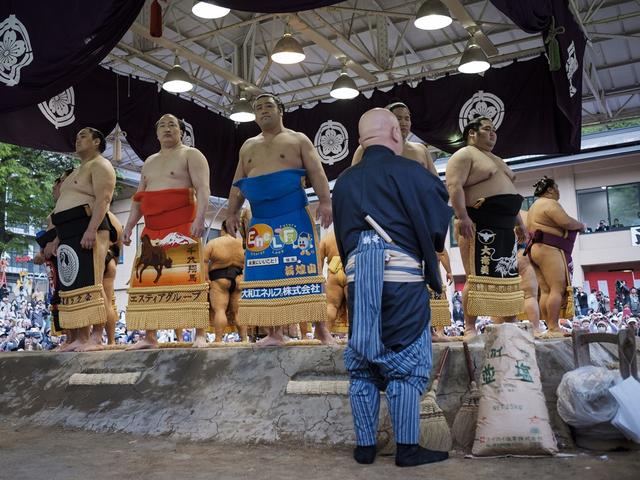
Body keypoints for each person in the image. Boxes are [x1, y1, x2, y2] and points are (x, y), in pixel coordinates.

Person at [333, 108, 451, 467]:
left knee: (364, 365)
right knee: (405, 365)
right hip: (401, 284)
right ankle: (407, 449)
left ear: (360, 142)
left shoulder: (345, 183)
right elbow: (435, 231)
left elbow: (341, 238)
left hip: (357, 279)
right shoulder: (413, 173)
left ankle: (365, 448)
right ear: (396, 135)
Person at [224, 93, 333, 346]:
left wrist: (326, 201)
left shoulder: (297, 139)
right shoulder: (248, 146)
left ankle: (321, 329)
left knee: (306, 269)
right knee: (265, 274)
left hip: (293, 213)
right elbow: (237, 185)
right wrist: (231, 212)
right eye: (258, 107)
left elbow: (317, 172)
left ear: (280, 110)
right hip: (260, 219)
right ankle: (274, 333)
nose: (263, 111)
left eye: (268, 106)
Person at [123, 114, 211, 349]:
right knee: (149, 281)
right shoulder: (149, 162)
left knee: (190, 278)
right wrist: (129, 225)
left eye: (172, 124)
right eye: (162, 125)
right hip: (152, 230)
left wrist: (200, 218)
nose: (167, 128)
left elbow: (203, 189)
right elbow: (139, 198)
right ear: (156, 133)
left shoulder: (191, 154)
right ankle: (149, 336)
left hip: (183, 224)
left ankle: (200, 333)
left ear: (181, 131)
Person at [445, 116, 525, 337]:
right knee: (476, 276)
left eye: (494, 130)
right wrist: (462, 216)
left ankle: (510, 325)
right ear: (472, 133)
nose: (493, 134)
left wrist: (519, 222)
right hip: (478, 223)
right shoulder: (464, 155)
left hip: (506, 224)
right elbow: (454, 186)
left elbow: (507, 191)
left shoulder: (497, 159)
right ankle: (469, 327)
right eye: (487, 129)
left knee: (508, 277)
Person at [44, 127, 116, 352]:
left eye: (83, 136)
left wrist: (91, 229)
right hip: (67, 231)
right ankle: (76, 337)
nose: (77, 139)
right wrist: (56, 239)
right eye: (76, 136)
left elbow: (104, 199)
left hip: (88, 227)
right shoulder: (75, 171)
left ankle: (95, 337)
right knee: (72, 283)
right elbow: (60, 208)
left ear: (96, 141)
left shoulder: (101, 165)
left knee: (91, 281)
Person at [525, 177, 585, 334]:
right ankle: (553, 326)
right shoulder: (549, 203)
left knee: (545, 290)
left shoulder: (533, 206)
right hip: (548, 248)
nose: (558, 190)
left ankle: (550, 325)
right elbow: (566, 222)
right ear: (550, 189)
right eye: (556, 187)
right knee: (556, 288)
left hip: (535, 249)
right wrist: (581, 225)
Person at [351, 102, 437, 175]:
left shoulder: (421, 149)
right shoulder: (366, 149)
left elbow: (435, 185)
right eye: (398, 118)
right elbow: (354, 182)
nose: (404, 123)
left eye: (407, 118)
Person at [203, 221, 247, 342]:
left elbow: (204, 261)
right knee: (238, 312)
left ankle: (218, 339)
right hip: (239, 279)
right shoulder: (242, 244)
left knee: (220, 310)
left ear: (222, 229)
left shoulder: (214, 243)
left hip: (219, 279)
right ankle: (244, 339)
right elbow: (249, 262)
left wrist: (206, 278)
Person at [318, 229, 349, 336]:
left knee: (331, 306)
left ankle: (324, 335)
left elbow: (319, 260)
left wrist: (320, 278)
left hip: (334, 273)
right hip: (350, 270)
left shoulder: (327, 237)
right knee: (354, 306)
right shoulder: (351, 233)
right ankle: (355, 336)